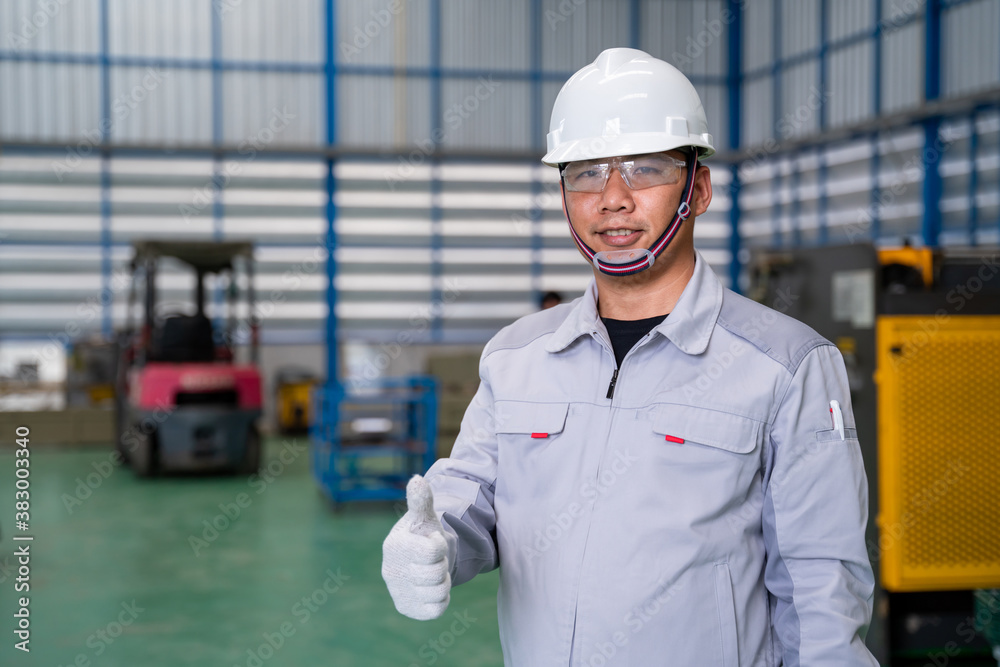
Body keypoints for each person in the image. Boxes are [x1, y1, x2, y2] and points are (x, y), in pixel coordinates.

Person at [382, 48, 877, 666]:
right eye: (586, 172)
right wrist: (434, 540)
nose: (612, 198)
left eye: (644, 169)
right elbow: (475, 492)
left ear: (697, 188)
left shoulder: (786, 366)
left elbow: (820, 592)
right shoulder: (516, 357)